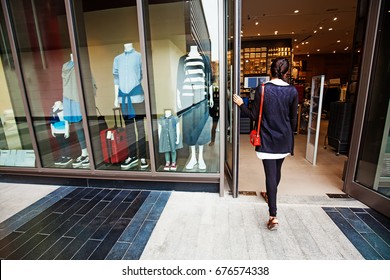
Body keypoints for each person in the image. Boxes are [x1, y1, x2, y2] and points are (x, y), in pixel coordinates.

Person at [233, 57, 298, 230]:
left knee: (270, 174)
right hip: (284, 139)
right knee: (276, 171)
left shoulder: (262, 89)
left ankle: (273, 216)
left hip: (267, 139)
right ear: (286, 72)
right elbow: (293, 119)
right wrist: (290, 139)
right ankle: (271, 194)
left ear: (271, 70)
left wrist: (240, 103)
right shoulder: (292, 91)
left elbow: (253, 116)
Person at [113, 43, 148, 170]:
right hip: (123, 99)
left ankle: (143, 157)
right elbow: (116, 79)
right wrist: (115, 97)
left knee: (140, 128)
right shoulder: (117, 59)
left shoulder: (139, 56)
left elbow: (144, 77)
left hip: (137, 97)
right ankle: (132, 156)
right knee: (129, 129)